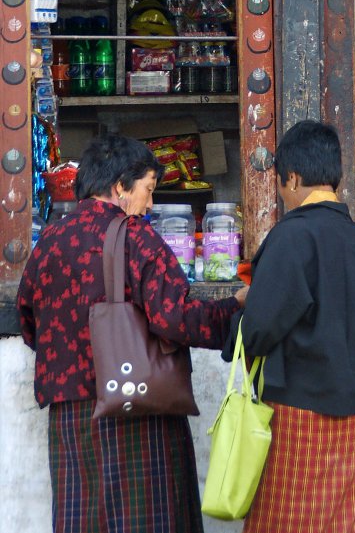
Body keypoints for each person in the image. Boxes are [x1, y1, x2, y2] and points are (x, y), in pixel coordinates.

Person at [17, 134, 247, 533]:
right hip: (135, 406)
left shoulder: (49, 240)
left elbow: (27, 318)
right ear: (120, 186)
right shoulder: (138, 238)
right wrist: (235, 308)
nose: (150, 204)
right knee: (145, 519)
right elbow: (174, 317)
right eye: (148, 190)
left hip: (70, 415)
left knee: (82, 518)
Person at [227, 120, 355, 533]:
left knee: (288, 523)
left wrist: (243, 311)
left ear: (294, 178)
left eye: (282, 185)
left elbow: (261, 328)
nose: (282, 196)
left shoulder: (291, 237)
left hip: (300, 413)